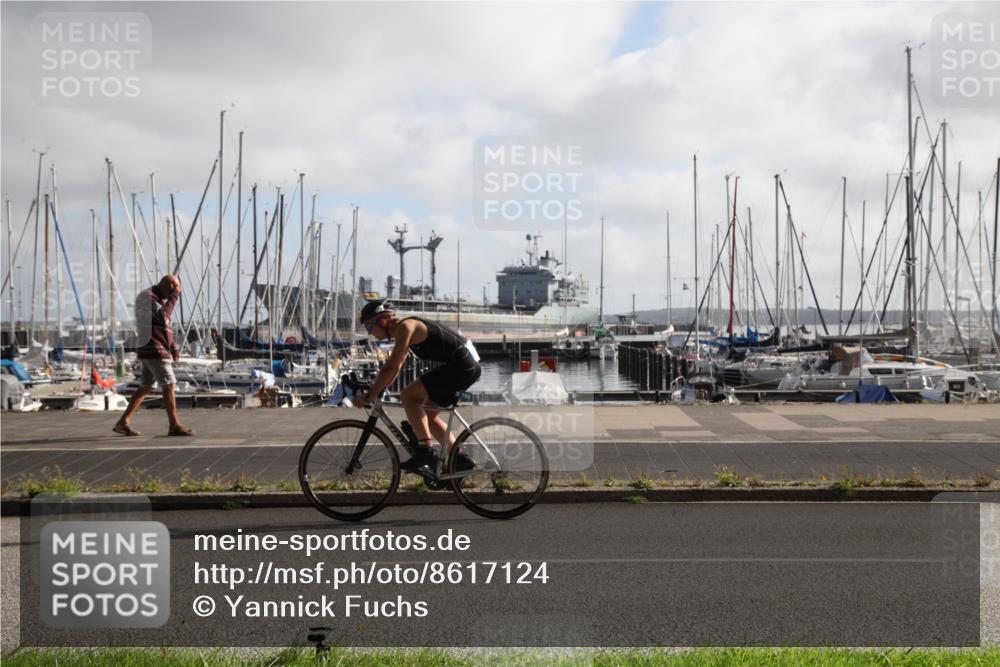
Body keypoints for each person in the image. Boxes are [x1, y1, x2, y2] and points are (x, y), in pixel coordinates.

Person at [354, 299, 479, 472]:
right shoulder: (403, 330)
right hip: (462, 366)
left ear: (382, 321)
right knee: (428, 413)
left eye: (368, 327)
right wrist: (378, 388)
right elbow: (395, 368)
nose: (370, 333)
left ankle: (425, 451)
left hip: (461, 367)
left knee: (408, 396)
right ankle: (459, 458)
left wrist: (371, 395)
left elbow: (392, 366)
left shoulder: (406, 327)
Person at [113, 274, 194, 437]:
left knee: (146, 387)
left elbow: (164, 326)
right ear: (169, 286)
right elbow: (163, 317)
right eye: (174, 289)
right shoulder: (147, 297)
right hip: (153, 349)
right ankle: (174, 425)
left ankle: (123, 422)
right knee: (170, 384)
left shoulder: (157, 299)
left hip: (153, 348)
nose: (173, 294)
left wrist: (172, 346)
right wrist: (175, 297)